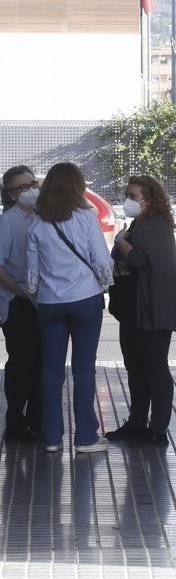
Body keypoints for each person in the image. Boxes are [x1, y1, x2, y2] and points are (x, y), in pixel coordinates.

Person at [24, 162, 113, 454]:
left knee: (50, 370)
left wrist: (40, 294)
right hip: (85, 299)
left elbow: (32, 275)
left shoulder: (37, 222)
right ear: (77, 186)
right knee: (84, 369)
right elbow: (101, 259)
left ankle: (51, 437)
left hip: (50, 304)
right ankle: (86, 436)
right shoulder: (86, 217)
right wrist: (104, 283)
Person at [105, 175, 176, 447]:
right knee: (135, 367)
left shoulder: (155, 226)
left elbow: (140, 260)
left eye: (133, 196)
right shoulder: (140, 223)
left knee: (154, 367)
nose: (127, 200)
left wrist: (121, 241)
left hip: (151, 310)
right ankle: (137, 422)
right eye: (127, 194)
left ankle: (157, 428)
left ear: (150, 199)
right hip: (134, 309)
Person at [0, 166, 42, 441]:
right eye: (21, 188)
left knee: (42, 362)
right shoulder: (8, 222)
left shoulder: (43, 217)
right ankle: (15, 421)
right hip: (17, 301)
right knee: (21, 363)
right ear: (11, 195)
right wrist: (22, 292)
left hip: (43, 302)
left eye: (31, 184)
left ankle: (37, 421)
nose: (29, 191)